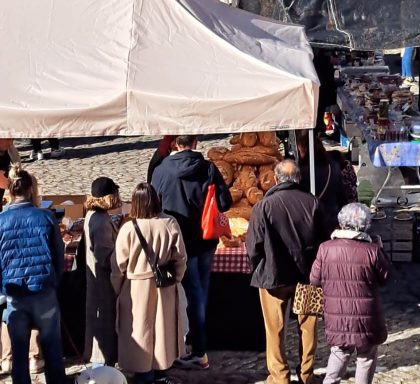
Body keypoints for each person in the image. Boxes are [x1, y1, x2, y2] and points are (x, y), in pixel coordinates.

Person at [150, 135, 232, 369]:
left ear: (175, 143)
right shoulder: (208, 168)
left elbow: (154, 205)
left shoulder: (161, 170)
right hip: (205, 240)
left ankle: (198, 348)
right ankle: (198, 343)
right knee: (199, 293)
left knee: (192, 295)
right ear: (195, 143)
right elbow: (225, 202)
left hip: (178, 241)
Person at [246, 159, 325, 384]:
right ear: (298, 178)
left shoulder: (265, 205)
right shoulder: (312, 202)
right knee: (308, 326)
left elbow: (254, 245)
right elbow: (323, 239)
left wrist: (257, 268)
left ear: (277, 178)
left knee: (275, 329)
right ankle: (306, 374)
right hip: (308, 274)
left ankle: (280, 376)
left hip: (274, 275)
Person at [112, 183, 187, 384]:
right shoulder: (169, 223)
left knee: (139, 331)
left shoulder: (128, 228)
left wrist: (120, 289)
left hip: (135, 287)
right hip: (164, 286)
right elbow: (181, 258)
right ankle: (161, 372)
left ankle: (143, 374)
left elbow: (118, 265)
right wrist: (175, 280)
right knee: (163, 330)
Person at [309, 203, 390, 384]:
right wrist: (381, 249)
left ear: (342, 223)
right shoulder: (372, 251)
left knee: (339, 352)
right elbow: (386, 278)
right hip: (366, 316)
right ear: (365, 225)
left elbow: (314, 279)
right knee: (366, 357)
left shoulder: (325, 248)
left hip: (337, 315)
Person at [0, 170, 66, 384]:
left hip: (15, 296)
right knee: (53, 351)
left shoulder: (1, 220)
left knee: (19, 356)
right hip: (44, 293)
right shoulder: (45, 217)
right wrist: (53, 282)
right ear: (31, 190)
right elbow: (58, 255)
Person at [83, 177, 122, 366]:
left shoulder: (92, 215)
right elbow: (106, 258)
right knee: (104, 325)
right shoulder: (101, 223)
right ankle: (103, 365)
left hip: (96, 282)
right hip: (104, 284)